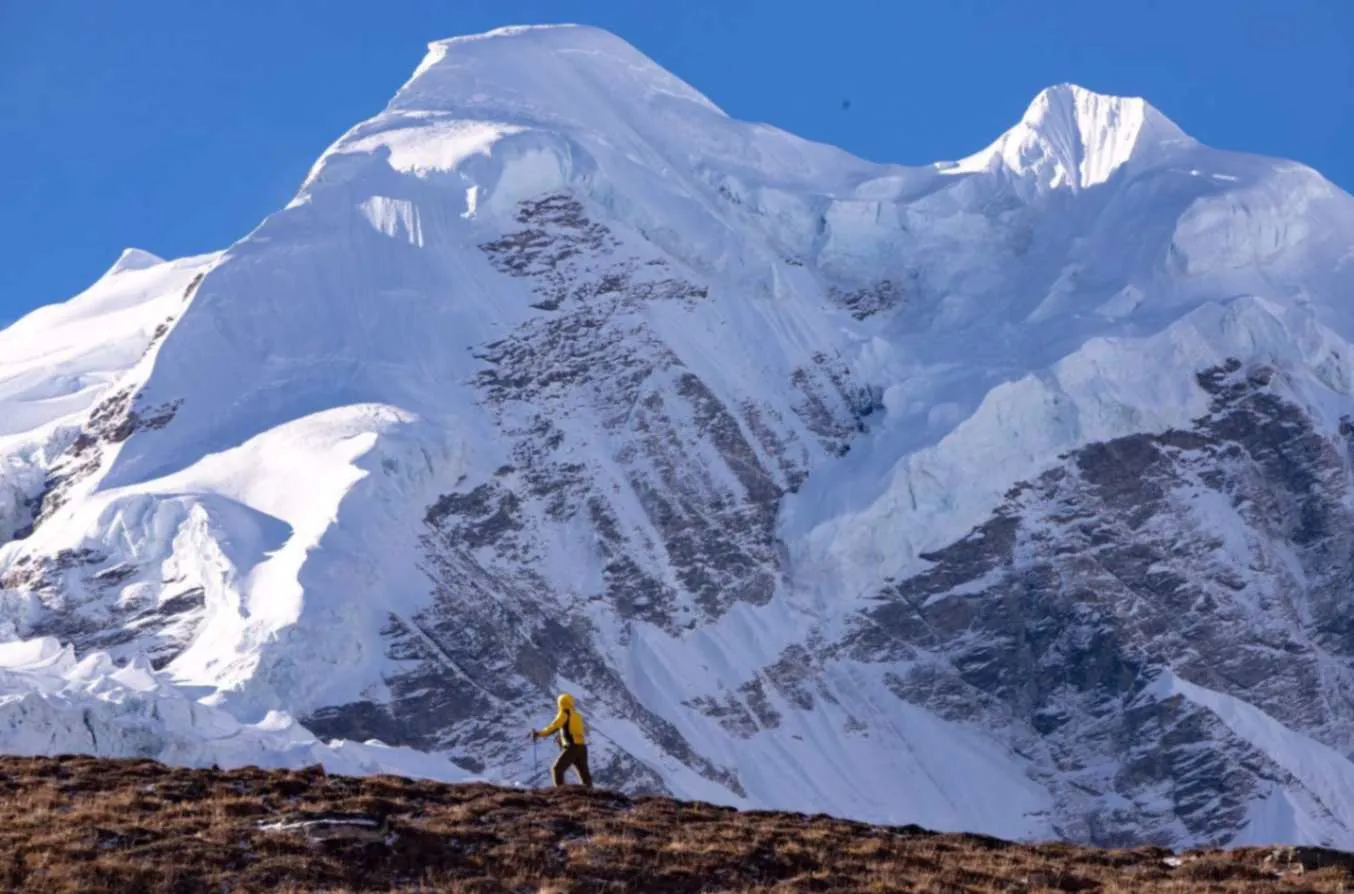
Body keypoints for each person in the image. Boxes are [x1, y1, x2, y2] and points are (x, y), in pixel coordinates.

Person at [530, 692, 593, 788]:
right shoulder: (577, 715)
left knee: (557, 769)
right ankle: (591, 794)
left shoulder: (564, 713)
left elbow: (553, 727)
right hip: (582, 747)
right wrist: (561, 737)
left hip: (572, 747)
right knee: (584, 774)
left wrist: (539, 734)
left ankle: (561, 792)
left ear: (560, 703)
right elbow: (572, 729)